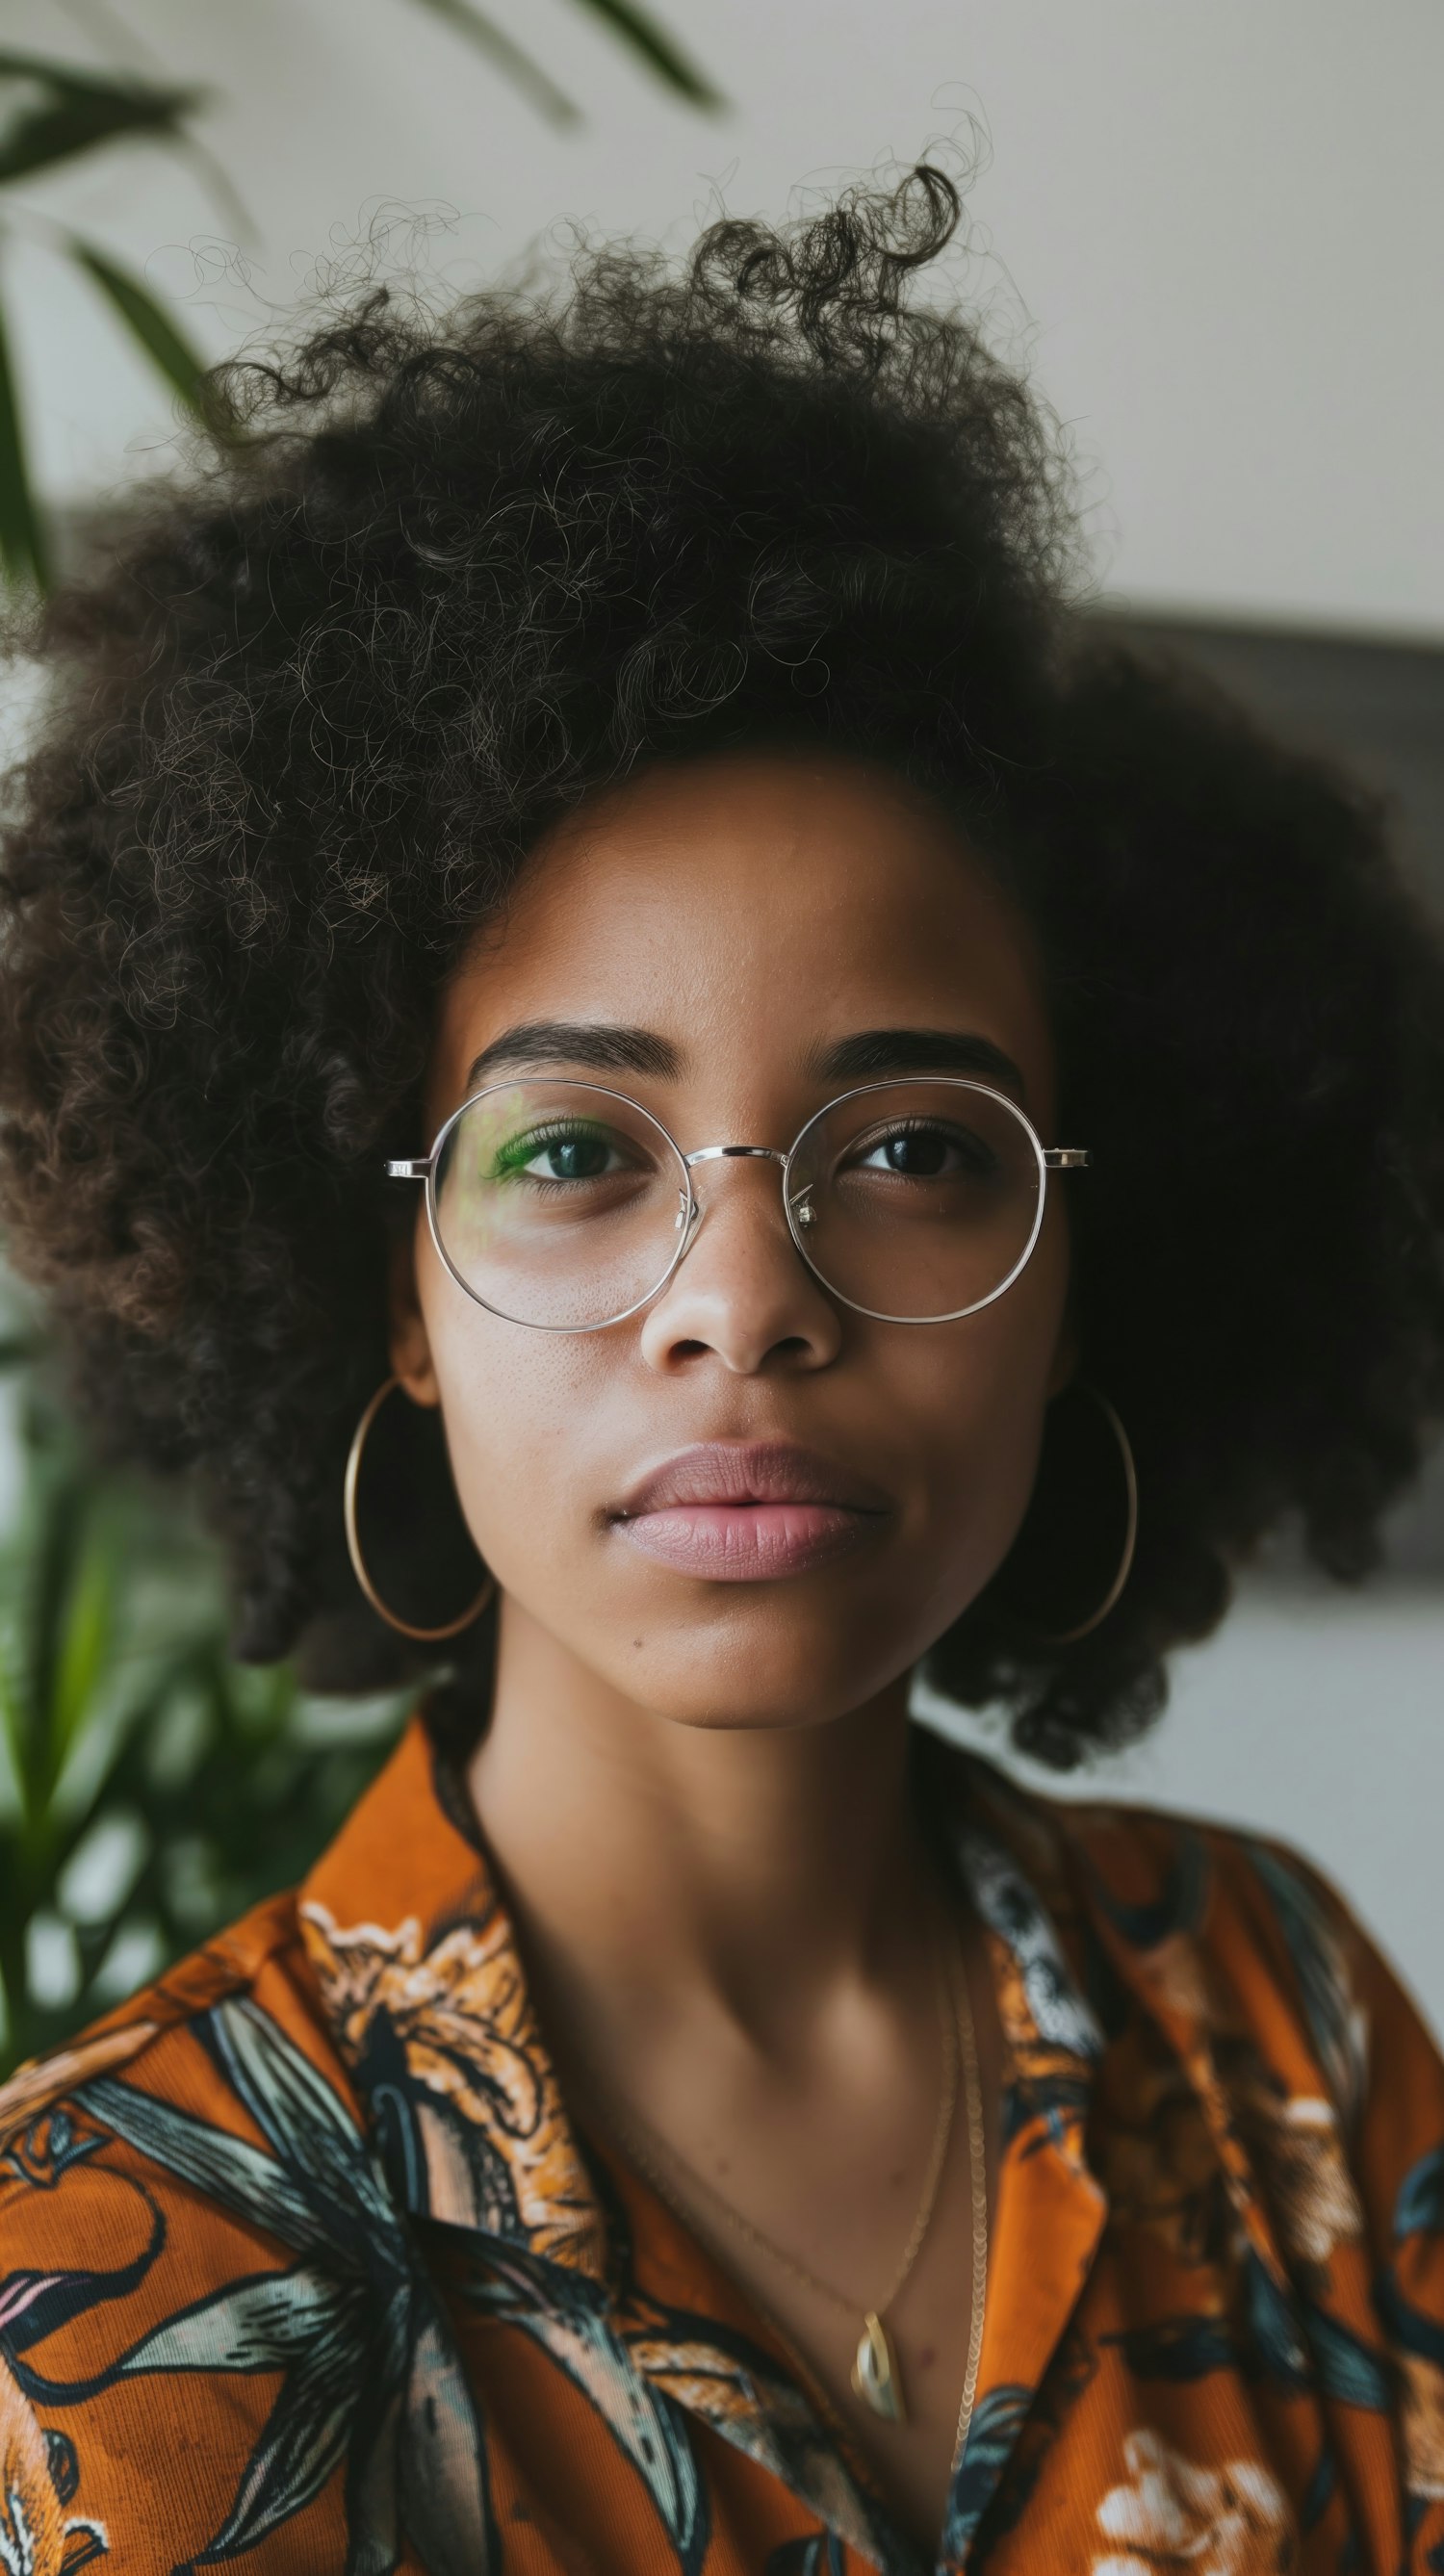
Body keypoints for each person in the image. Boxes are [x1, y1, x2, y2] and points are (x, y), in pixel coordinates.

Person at [0, 165, 1440, 2576]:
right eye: (577, 1147)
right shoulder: (108, 2269)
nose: (742, 1294)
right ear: (391, 1296)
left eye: (910, 1150)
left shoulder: (1273, 2024)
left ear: (1084, 1256)